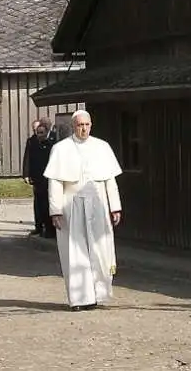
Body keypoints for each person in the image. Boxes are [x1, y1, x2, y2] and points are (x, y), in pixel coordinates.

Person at [44, 109, 123, 311]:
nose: (84, 129)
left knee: (100, 250)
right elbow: (55, 182)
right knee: (75, 252)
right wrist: (55, 210)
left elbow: (110, 181)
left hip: (98, 204)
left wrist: (115, 207)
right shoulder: (61, 149)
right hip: (72, 204)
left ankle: (99, 295)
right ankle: (79, 299)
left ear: (91, 125)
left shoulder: (102, 147)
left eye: (87, 125)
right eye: (80, 125)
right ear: (73, 126)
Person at [23, 117, 57, 237]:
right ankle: (39, 226)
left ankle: (49, 228)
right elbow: (28, 158)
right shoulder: (32, 141)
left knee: (48, 203)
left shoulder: (54, 140)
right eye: (37, 131)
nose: (38, 134)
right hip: (38, 177)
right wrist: (27, 174)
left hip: (49, 177)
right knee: (39, 203)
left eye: (41, 132)